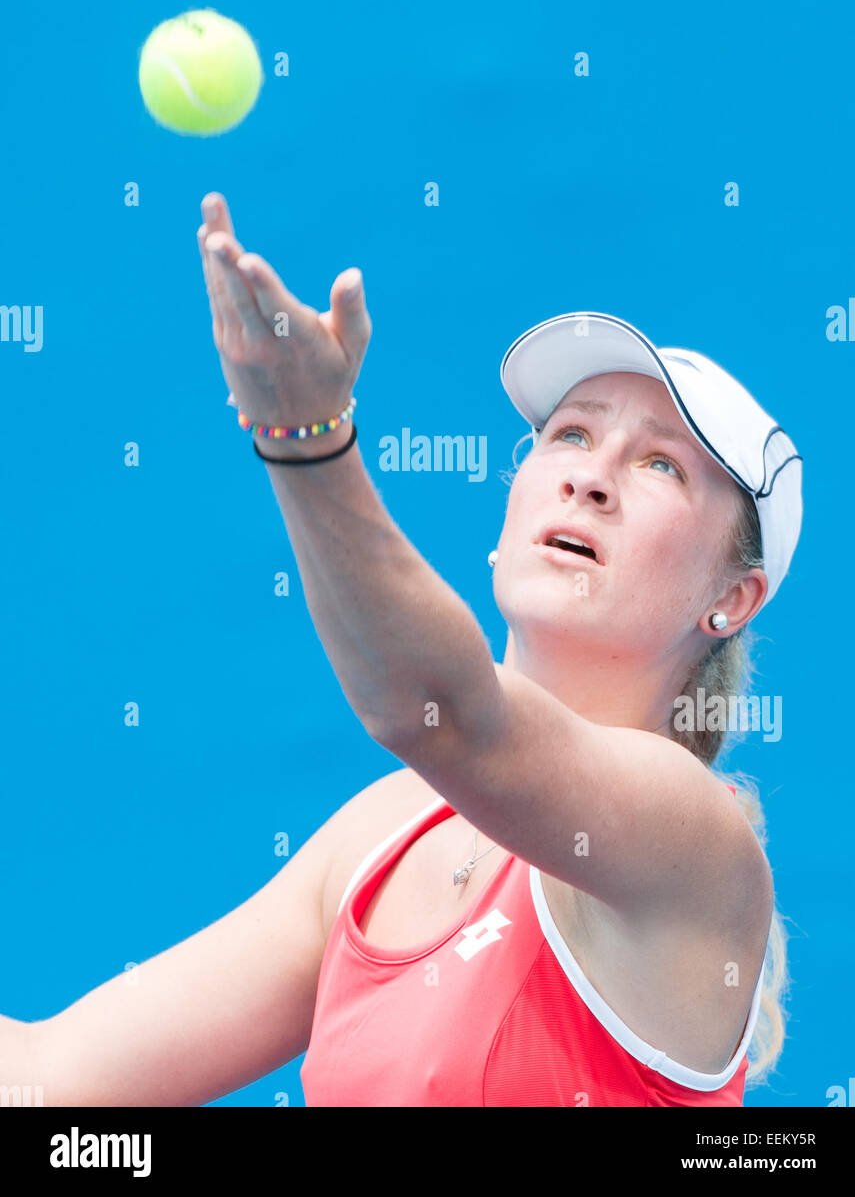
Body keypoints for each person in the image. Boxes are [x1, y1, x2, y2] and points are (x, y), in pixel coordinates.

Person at [0, 192, 801, 1107]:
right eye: (569, 434)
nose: (591, 476)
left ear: (730, 600)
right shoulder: (378, 833)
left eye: (661, 464)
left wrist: (304, 439)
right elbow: (50, 1084)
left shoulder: (694, 838)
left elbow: (449, 716)